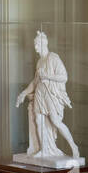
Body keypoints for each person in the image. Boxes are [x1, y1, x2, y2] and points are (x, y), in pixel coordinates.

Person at [15, 30, 79, 162]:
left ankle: (73, 146)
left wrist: (47, 76)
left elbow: (64, 77)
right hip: (40, 93)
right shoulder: (39, 62)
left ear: (43, 44)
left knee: (55, 121)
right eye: (35, 44)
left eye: (37, 44)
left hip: (51, 94)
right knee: (38, 121)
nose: (35, 47)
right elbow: (35, 82)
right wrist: (23, 93)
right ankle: (44, 149)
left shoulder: (53, 58)